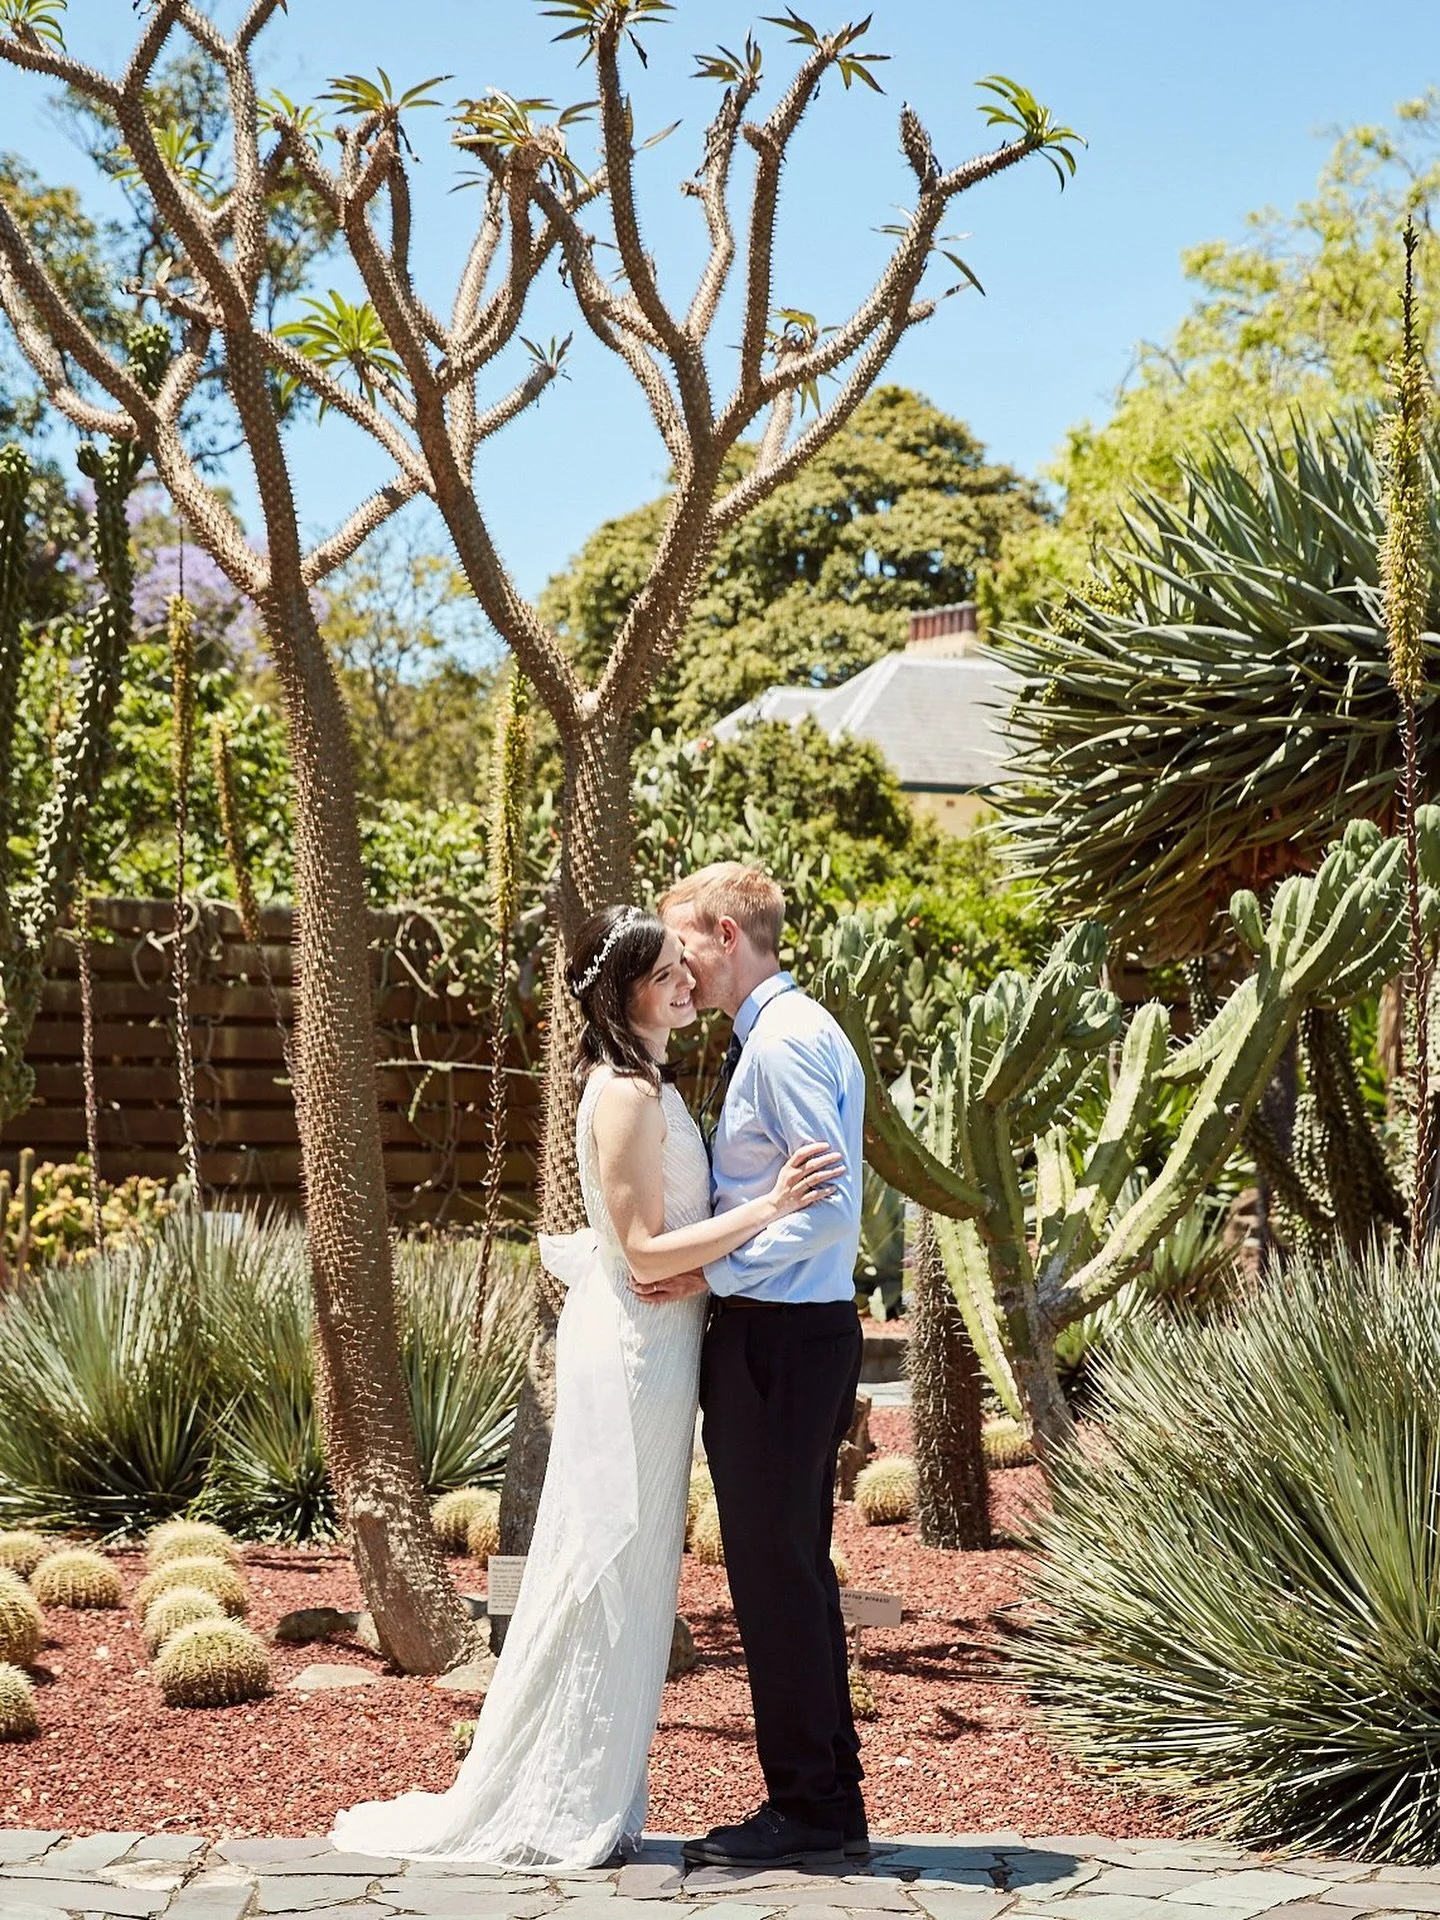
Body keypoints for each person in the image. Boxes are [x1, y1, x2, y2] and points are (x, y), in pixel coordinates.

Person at [329, 903, 842, 1871]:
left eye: (682, 970)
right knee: (605, 1568)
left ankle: (594, 1790)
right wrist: (770, 1209)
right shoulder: (624, 1097)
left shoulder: (646, 1082)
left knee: (630, 1575)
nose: (687, 983)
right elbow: (645, 1254)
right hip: (639, 1359)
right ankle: (563, 1796)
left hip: (660, 1345)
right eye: (664, 976)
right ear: (624, 997)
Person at [659, 862, 867, 1870]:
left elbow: (827, 1206)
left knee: (774, 1576)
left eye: (688, 946)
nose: (682, 970)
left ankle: (809, 1809)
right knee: (791, 1571)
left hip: (779, 1340)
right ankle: (829, 1799)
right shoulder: (793, 1033)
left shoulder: (781, 1047)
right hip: (789, 1337)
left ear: (728, 936)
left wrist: (717, 1266)